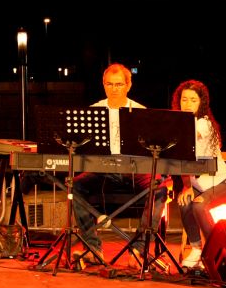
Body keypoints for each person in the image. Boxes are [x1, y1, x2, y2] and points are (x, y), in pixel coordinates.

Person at [71, 63, 166, 266]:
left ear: (128, 86)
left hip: (135, 170)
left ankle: (139, 250)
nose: (114, 88)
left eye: (119, 84)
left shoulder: (141, 111)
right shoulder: (93, 111)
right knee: (74, 185)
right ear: (103, 85)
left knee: (159, 188)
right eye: (110, 84)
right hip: (104, 170)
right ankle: (92, 247)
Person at [171, 79, 226, 270]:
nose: (188, 104)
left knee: (199, 207)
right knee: (184, 202)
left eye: (193, 100)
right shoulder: (181, 125)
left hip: (223, 185)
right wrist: (186, 187)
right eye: (184, 99)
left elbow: (190, 139)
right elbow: (182, 163)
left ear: (201, 103)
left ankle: (215, 253)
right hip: (200, 188)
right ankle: (197, 249)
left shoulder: (203, 123)